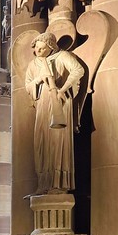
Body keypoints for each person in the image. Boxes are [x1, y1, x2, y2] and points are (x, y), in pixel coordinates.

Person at [24, 32, 87, 193]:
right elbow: (28, 86)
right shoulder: (33, 64)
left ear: (50, 47)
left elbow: (78, 70)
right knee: (41, 142)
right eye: (37, 48)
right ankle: (43, 183)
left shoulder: (62, 56)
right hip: (42, 106)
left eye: (42, 48)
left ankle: (58, 184)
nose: (38, 51)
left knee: (57, 143)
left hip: (59, 102)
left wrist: (62, 89)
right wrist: (38, 79)